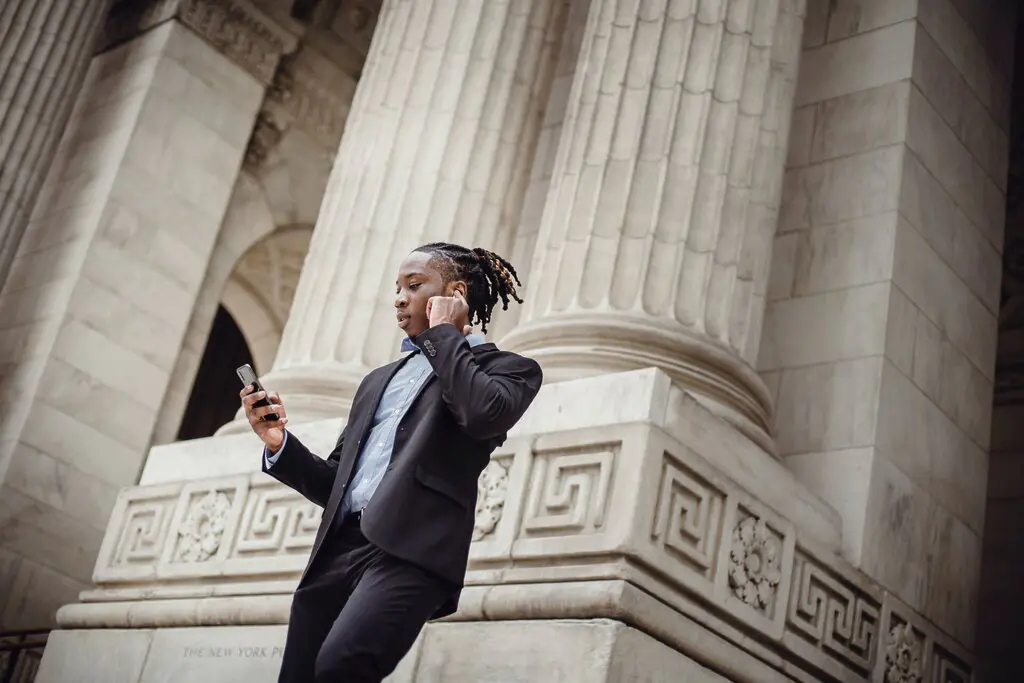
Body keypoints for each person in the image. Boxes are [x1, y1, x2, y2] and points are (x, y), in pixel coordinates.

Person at [240, 242, 543, 683]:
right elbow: (335, 484)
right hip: (339, 548)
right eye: (397, 287)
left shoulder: (511, 370)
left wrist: (443, 334)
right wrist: (279, 443)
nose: (399, 298)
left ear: (455, 293)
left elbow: (480, 414)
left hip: (411, 553)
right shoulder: (378, 380)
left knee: (342, 667)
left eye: (414, 285)